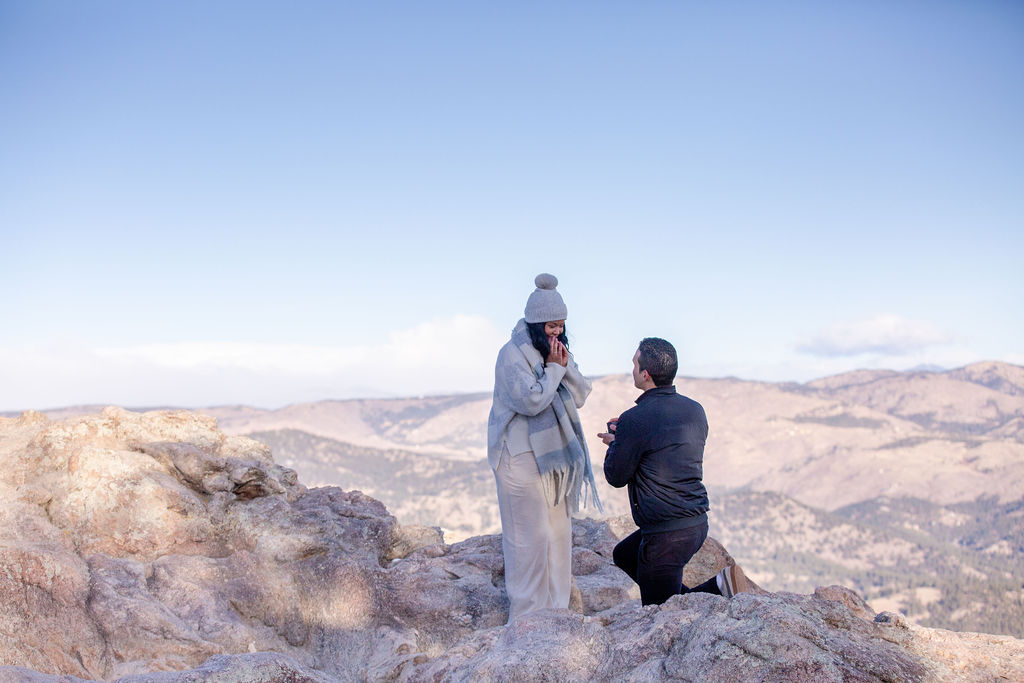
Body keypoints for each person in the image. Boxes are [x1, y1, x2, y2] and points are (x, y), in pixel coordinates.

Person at [598, 337, 750, 605]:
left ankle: (718, 587)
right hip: (695, 523)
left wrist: (616, 443)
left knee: (666, 612)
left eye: (635, 364)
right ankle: (708, 588)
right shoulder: (694, 410)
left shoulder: (635, 419)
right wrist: (627, 437)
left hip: (665, 536)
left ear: (645, 374)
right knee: (624, 555)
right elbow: (664, 447)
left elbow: (616, 476)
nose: (632, 369)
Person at [487, 273, 603, 622]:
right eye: (551, 326)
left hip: (554, 461)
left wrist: (562, 367)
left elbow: (581, 394)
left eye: (561, 326)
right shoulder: (512, 356)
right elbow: (532, 400)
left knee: (557, 534)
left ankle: (556, 613)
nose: (557, 333)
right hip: (520, 457)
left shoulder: (556, 353)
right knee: (528, 540)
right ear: (537, 324)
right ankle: (526, 617)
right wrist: (553, 370)